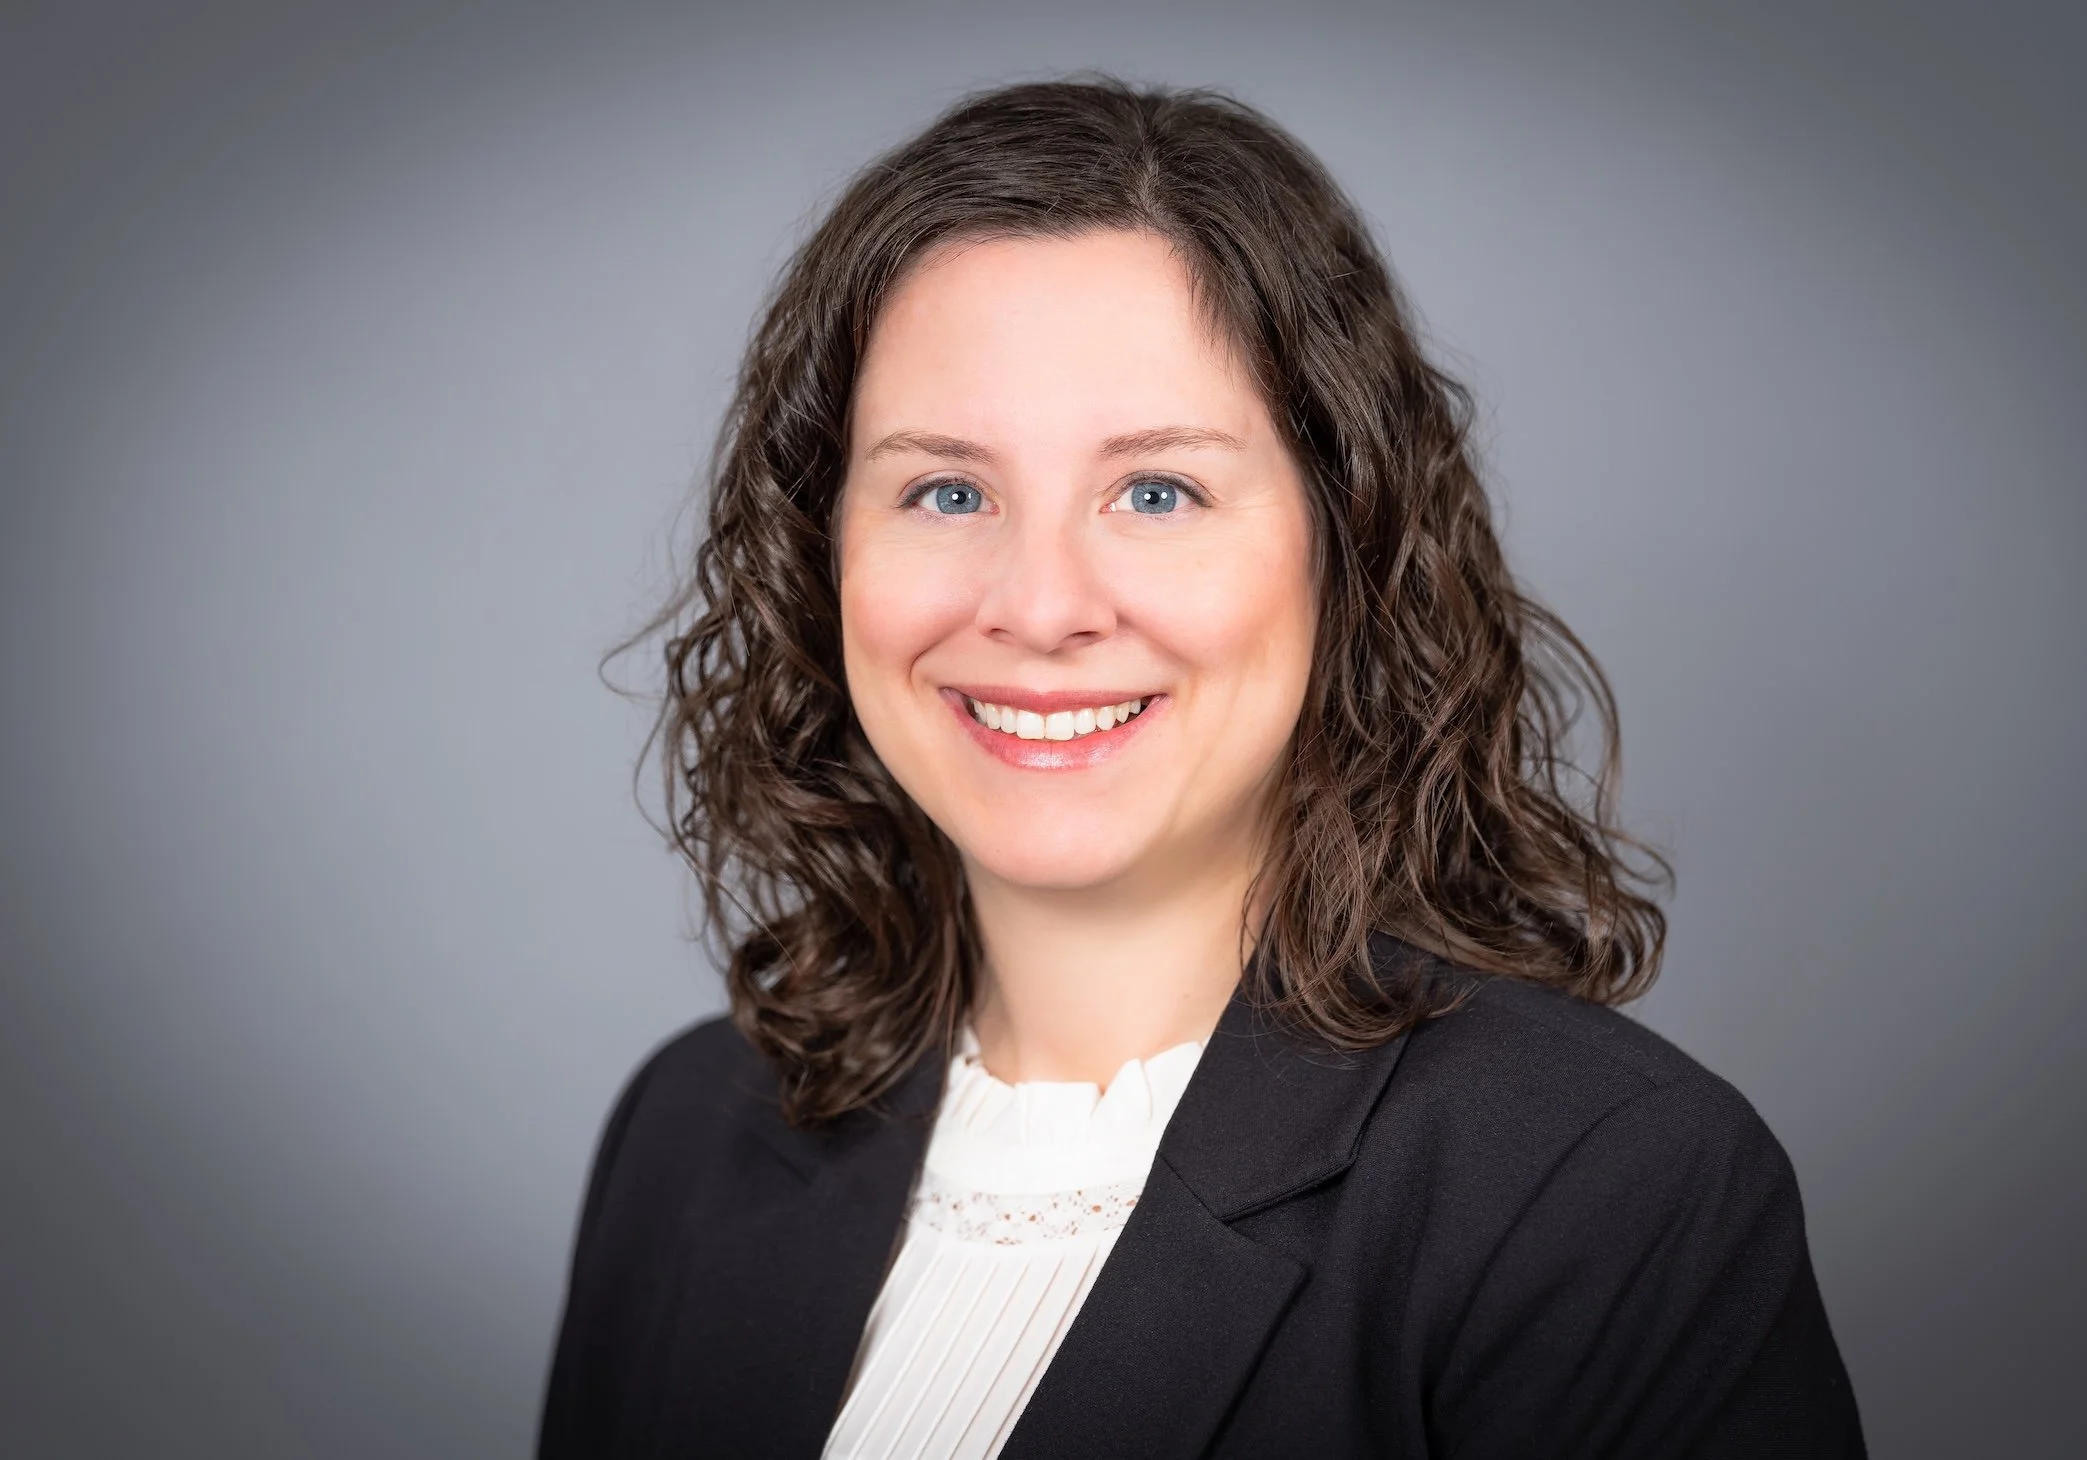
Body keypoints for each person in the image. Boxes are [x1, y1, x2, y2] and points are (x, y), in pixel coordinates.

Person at [538, 77, 1866, 1460]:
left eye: (1155, 492)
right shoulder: (691, 1132)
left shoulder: (1603, 1190)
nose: (1040, 606)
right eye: (946, 490)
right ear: (823, 554)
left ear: (1344, 544)